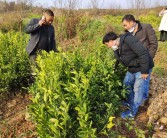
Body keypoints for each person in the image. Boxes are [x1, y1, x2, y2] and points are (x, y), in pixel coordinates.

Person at [103, 32, 154, 119]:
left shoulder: (129, 40)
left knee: (137, 90)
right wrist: (115, 51)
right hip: (133, 67)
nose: (107, 46)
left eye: (107, 44)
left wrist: (145, 71)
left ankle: (132, 113)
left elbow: (143, 54)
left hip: (142, 68)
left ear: (111, 41)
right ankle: (130, 102)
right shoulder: (118, 45)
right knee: (126, 84)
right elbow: (121, 60)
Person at [122, 14, 158, 103]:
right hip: (136, 62)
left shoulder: (146, 28)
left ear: (132, 22)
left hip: (146, 61)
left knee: (144, 82)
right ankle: (135, 100)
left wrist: (147, 59)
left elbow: (154, 44)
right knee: (135, 83)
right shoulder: (128, 33)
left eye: (125, 25)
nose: (125, 27)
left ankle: (143, 101)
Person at [25, 9, 58, 75]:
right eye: (49, 20)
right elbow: (26, 30)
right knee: (34, 73)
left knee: (43, 73)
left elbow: (52, 40)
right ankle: (33, 84)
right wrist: (38, 24)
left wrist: (54, 51)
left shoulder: (51, 27)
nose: (51, 22)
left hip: (45, 53)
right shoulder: (34, 21)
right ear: (44, 17)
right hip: (34, 52)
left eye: (52, 20)